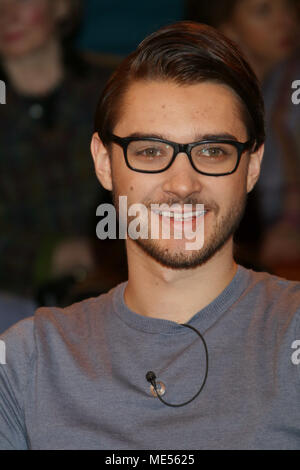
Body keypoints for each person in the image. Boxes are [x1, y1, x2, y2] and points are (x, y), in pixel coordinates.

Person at [0, 21, 300, 450]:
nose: (182, 184)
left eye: (212, 151)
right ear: (104, 163)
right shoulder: (26, 363)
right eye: (150, 152)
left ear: (252, 167)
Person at [0, 0, 112, 298]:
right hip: (19, 301)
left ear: (62, 6)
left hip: (121, 286)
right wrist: (62, 255)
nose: (6, 15)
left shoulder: (116, 90)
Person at [188, 0, 300, 275]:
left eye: (289, 7)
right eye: (263, 11)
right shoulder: (203, 98)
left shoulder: (288, 83)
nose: (285, 21)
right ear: (230, 30)